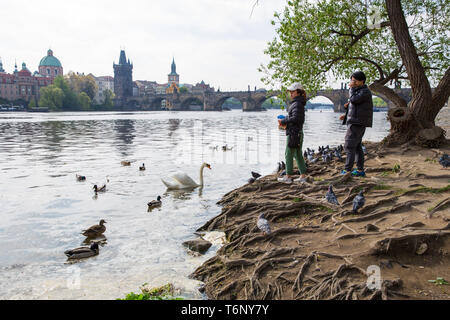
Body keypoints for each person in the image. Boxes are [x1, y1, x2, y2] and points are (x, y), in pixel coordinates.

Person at [339, 71, 373, 176]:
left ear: (361, 81)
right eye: (351, 80)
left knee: (349, 145)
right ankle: (360, 170)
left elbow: (354, 100)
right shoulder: (360, 91)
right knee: (357, 146)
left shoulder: (364, 91)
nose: (352, 82)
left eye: (354, 80)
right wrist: (346, 114)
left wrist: (351, 89)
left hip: (357, 123)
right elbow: (357, 106)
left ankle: (347, 170)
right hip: (356, 121)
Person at [277, 83, 307, 184]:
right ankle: (303, 176)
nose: (290, 94)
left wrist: (284, 121)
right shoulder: (298, 103)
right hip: (297, 132)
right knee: (298, 154)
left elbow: (297, 118)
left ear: (298, 92)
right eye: (290, 92)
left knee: (288, 153)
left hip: (294, 133)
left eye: (292, 92)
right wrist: (285, 120)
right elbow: (295, 117)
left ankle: (288, 177)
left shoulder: (297, 104)